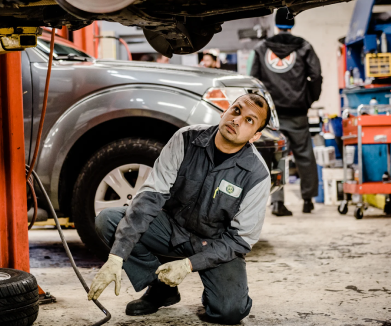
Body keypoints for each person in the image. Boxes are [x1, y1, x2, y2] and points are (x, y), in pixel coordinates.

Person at [87, 93, 272, 324]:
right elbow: (150, 196)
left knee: (229, 311)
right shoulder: (186, 139)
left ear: (255, 136)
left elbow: (241, 240)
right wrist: (116, 257)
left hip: (214, 243)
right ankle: (161, 289)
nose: (237, 120)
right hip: (170, 228)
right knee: (108, 220)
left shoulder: (257, 174)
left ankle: (214, 290)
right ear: (225, 111)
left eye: (249, 120)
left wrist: (190, 265)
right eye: (236, 110)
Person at [249, 7, 322, 216]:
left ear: (276, 24)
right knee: (305, 156)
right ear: (292, 25)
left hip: (272, 114)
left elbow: (254, 79)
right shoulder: (305, 46)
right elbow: (316, 76)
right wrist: (309, 99)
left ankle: (277, 203)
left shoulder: (262, 48)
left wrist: (260, 107)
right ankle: (308, 201)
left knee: (276, 155)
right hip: (298, 112)